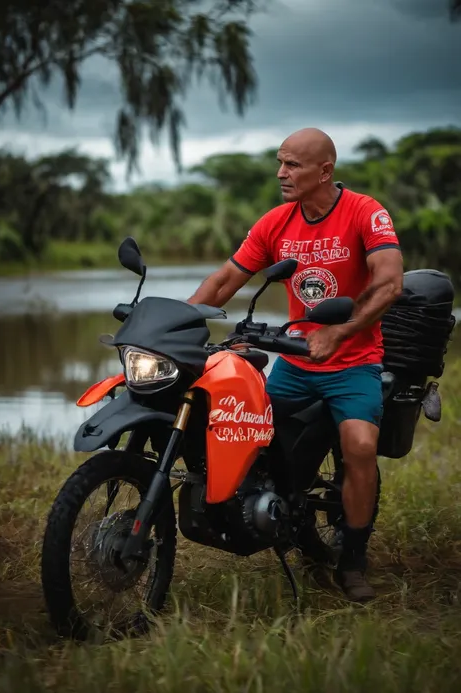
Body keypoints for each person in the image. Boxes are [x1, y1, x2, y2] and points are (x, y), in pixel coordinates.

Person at [187, 127, 403, 602]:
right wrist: (177, 325)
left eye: (293, 165)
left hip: (354, 362)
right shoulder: (276, 222)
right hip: (297, 362)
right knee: (246, 431)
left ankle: (352, 560)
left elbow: (389, 283)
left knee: (360, 446)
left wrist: (339, 332)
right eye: (280, 163)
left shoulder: (366, 212)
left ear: (325, 170)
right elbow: (225, 280)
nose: (281, 173)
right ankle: (267, 512)